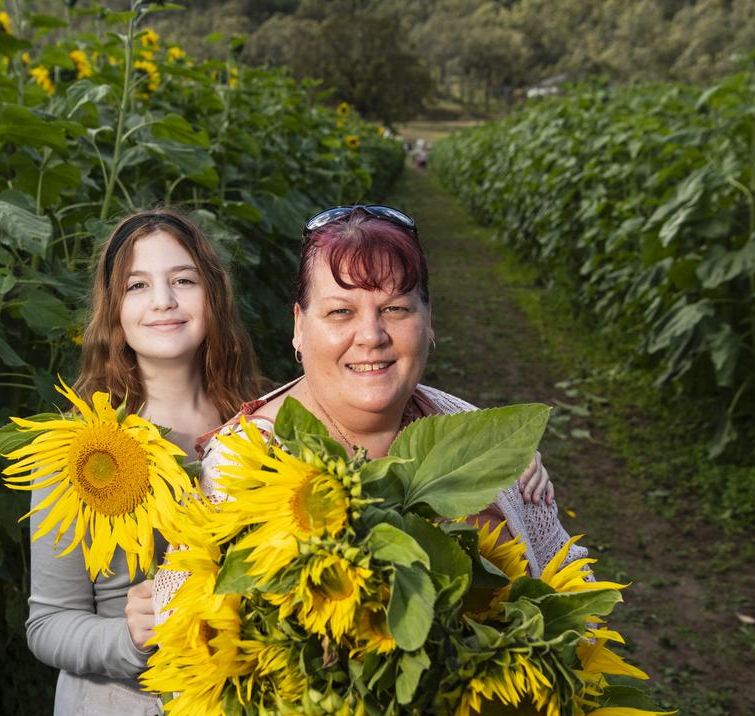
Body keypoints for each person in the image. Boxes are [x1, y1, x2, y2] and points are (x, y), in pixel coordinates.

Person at [168, 205, 572, 591]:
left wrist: (503, 458)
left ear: (428, 320)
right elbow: (182, 623)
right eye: (341, 312)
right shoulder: (238, 469)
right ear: (299, 326)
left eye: (395, 308)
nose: (371, 336)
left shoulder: (471, 431)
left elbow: (567, 582)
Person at [25, 209, 262, 716]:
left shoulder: (266, 425)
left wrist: (514, 469)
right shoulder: (80, 454)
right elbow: (47, 625)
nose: (163, 300)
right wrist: (128, 638)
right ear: (114, 311)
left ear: (213, 295)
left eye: (183, 279)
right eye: (138, 285)